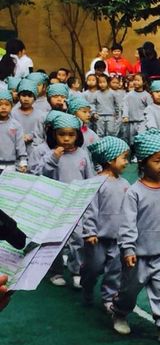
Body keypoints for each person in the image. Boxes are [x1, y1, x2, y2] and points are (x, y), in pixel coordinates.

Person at [110, 129, 160, 345]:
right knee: (129, 291)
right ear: (143, 163)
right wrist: (128, 249)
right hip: (138, 256)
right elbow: (127, 223)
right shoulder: (134, 192)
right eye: (157, 160)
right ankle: (119, 312)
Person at [41, 113, 96, 287]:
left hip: (77, 204)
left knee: (78, 239)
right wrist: (53, 158)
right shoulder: (50, 154)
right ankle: (55, 271)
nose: (66, 139)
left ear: (77, 135)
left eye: (71, 134)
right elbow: (41, 175)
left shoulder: (82, 154)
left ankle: (77, 270)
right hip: (55, 205)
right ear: (54, 135)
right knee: (54, 240)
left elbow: (89, 178)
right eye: (61, 134)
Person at [81, 137, 131, 309]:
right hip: (97, 238)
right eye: (123, 158)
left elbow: (129, 210)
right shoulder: (96, 183)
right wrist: (90, 231)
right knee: (93, 268)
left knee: (115, 270)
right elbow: (90, 209)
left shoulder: (125, 184)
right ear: (110, 159)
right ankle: (87, 286)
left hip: (118, 238)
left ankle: (109, 298)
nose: (127, 162)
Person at [0, 89, 27, 173]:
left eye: (7, 104)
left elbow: (20, 144)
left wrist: (23, 162)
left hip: (10, 166)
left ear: (11, 106)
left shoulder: (15, 126)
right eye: (0, 104)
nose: (3, 107)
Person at [122, 73, 152, 147]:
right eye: (134, 80)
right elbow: (125, 105)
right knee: (131, 141)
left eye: (138, 80)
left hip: (142, 122)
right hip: (131, 122)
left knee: (141, 139)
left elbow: (150, 108)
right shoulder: (129, 95)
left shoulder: (146, 95)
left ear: (143, 82)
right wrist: (125, 116)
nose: (136, 82)